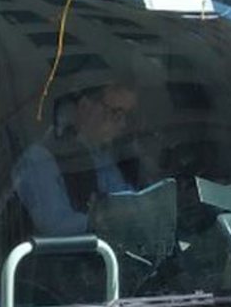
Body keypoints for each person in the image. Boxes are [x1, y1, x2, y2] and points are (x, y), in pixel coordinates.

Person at [13, 79, 141, 236]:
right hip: (59, 258)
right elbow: (55, 225)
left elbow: (125, 199)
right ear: (85, 107)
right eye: (115, 113)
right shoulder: (39, 159)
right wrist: (101, 220)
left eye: (127, 116)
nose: (122, 125)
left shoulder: (101, 156)